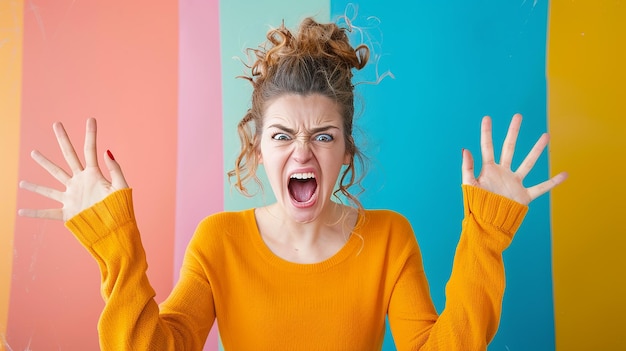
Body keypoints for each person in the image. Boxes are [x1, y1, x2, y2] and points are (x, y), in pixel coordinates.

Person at [18, 16, 567, 351]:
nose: (302, 151)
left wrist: (486, 238)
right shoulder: (218, 243)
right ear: (258, 150)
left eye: (323, 136)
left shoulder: (389, 239)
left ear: (346, 149)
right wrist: (114, 244)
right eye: (282, 136)